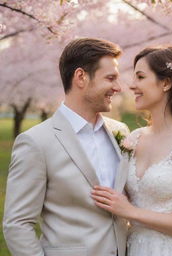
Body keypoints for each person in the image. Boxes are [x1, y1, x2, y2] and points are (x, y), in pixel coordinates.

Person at [91, 45, 172, 256]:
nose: (132, 86)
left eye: (140, 77)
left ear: (165, 83)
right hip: (134, 248)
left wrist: (131, 212)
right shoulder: (134, 138)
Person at [3, 38, 130, 256]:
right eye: (110, 78)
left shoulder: (121, 132)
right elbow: (17, 224)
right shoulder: (36, 142)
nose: (118, 88)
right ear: (81, 77)